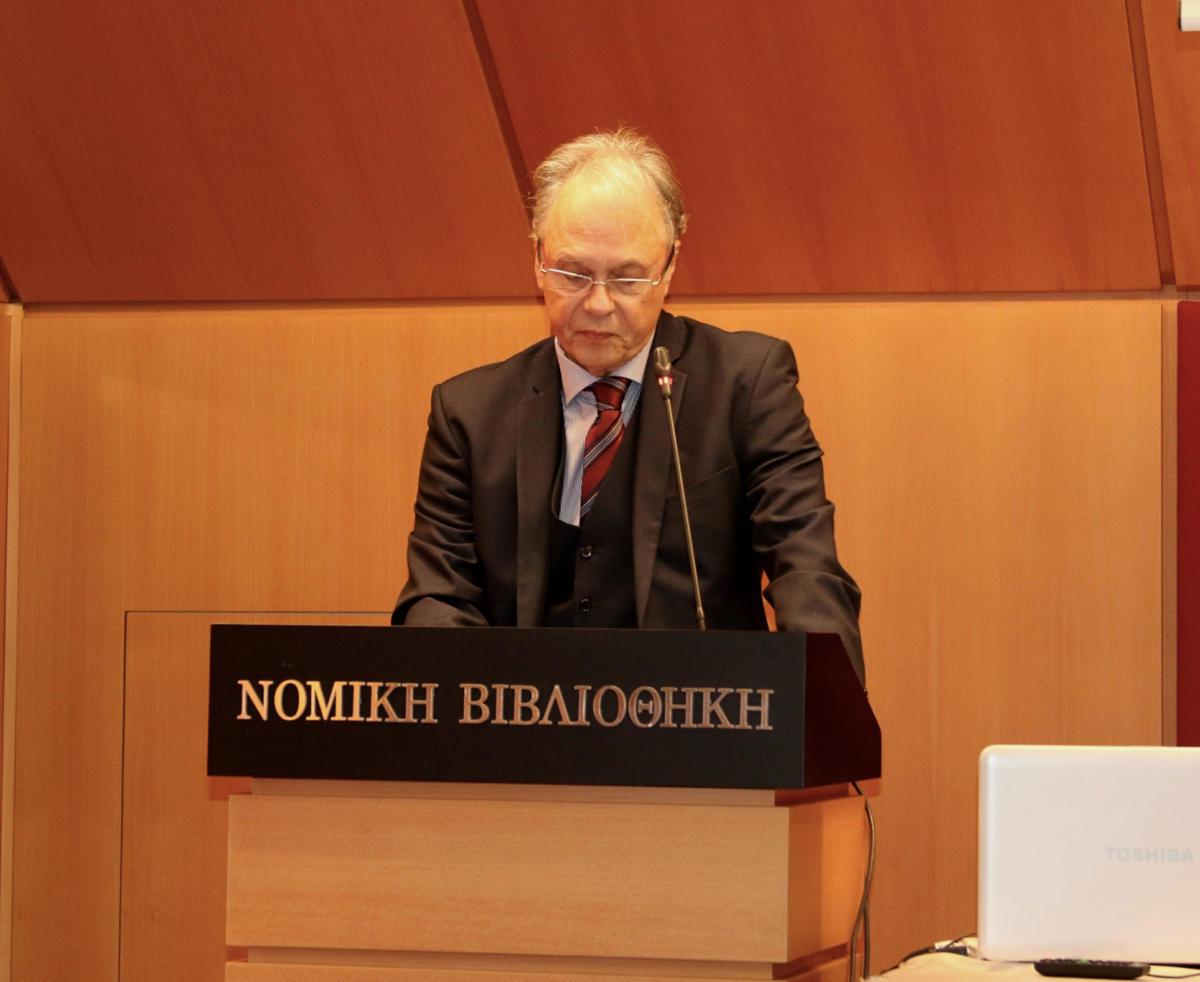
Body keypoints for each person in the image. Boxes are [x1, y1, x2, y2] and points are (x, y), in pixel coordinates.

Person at [393, 128, 864, 684]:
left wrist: (825, 704)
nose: (597, 304)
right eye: (572, 274)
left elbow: (805, 566)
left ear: (670, 267)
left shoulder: (746, 384)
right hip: (522, 722)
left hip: (703, 720)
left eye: (627, 277)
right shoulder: (468, 414)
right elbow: (438, 596)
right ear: (537, 259)